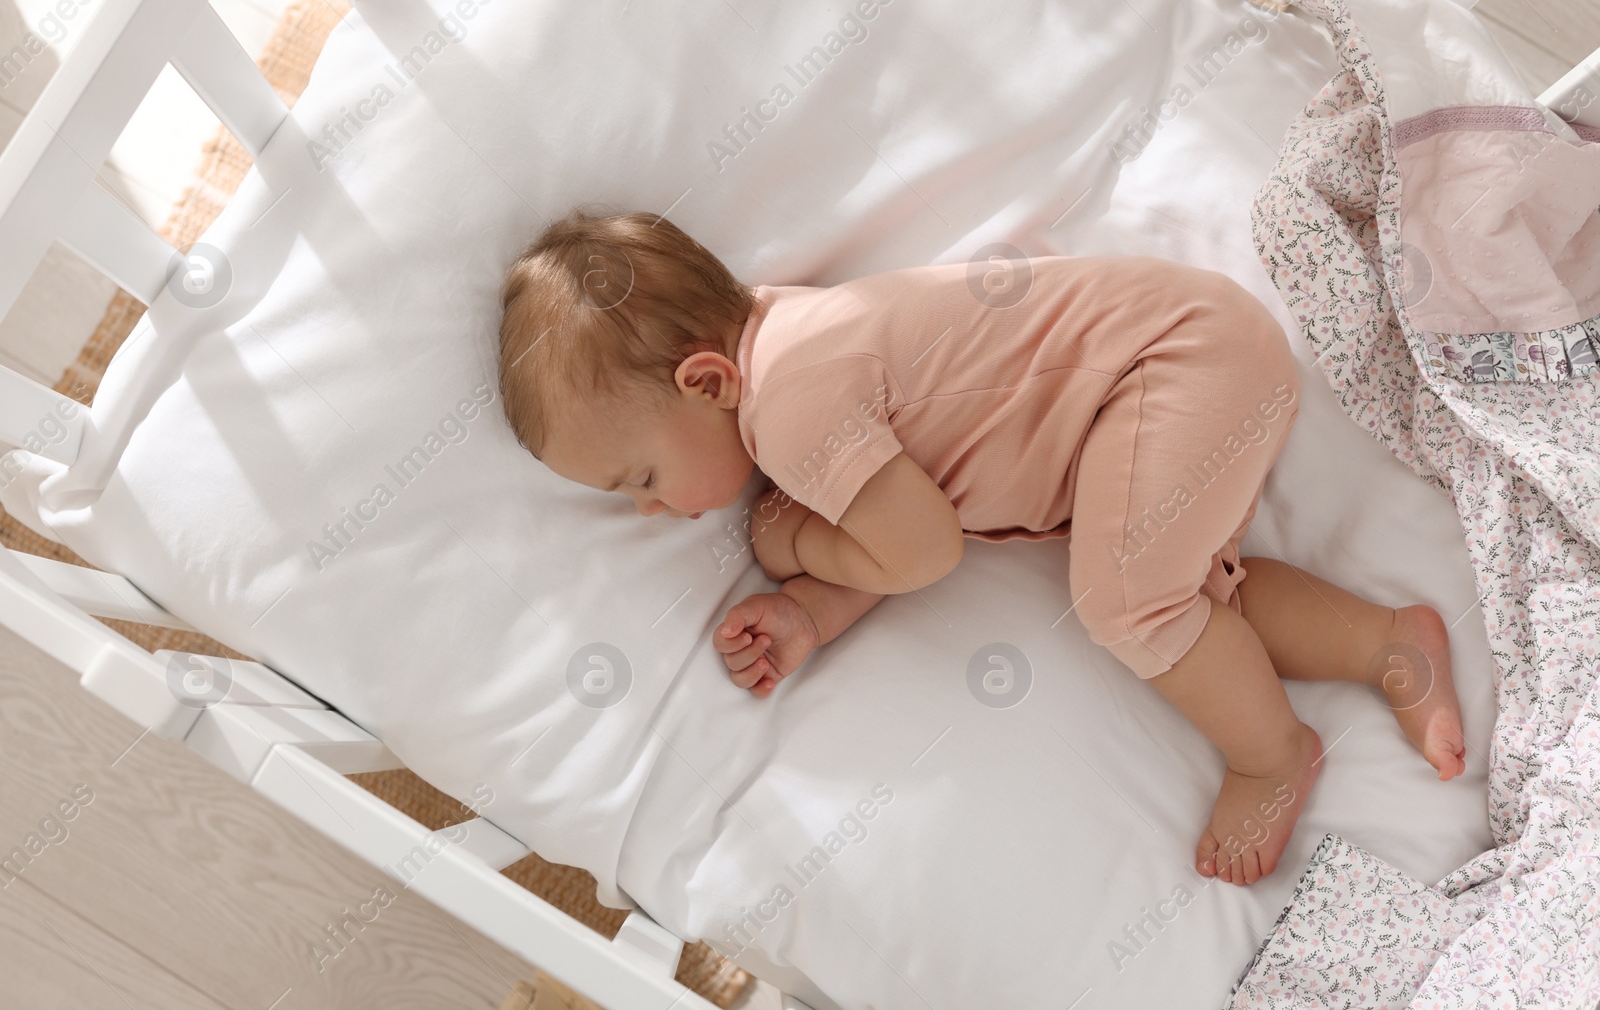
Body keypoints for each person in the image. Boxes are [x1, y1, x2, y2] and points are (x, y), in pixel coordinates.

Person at [498, 206, 1466, 886]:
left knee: (1130, 602)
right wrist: (810, 607)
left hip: (1169, 361)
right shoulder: (788, 345)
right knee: (1177, 595)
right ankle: (1387, 641)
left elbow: (918, 551)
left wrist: (795, 536)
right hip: (1172, 364)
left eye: (640, 479)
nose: (653, 511)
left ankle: (1271, 754)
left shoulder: (793, 405)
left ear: (707, 383)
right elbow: (908, 520)